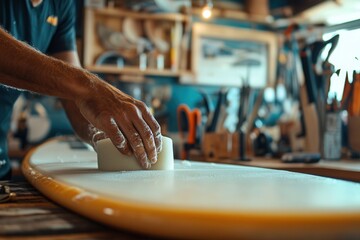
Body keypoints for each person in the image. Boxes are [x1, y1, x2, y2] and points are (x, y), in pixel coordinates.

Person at [0, 0, 162, 180]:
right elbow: (82, 89)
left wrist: (103, 133)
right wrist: (92, 87)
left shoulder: (61, 5)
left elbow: (74, 97)